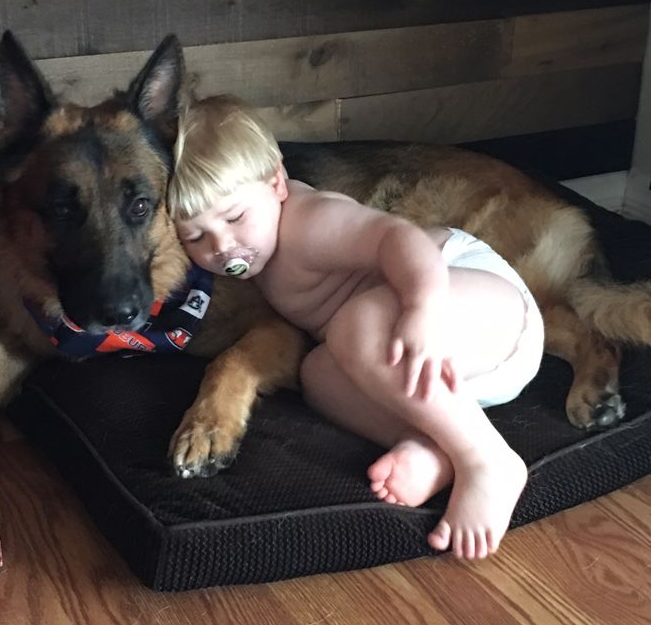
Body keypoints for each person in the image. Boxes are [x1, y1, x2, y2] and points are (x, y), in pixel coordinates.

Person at [169, 96, 544, 560]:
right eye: (196, 236)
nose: (223, 246)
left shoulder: (311, 224)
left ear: (278, 183)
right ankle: (431, 445)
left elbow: (398, 237)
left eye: (233, 217)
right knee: (319, 376)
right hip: (439, 374)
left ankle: (488, 460)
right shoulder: (253, 246)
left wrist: (422, 308)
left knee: (356, 327)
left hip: (481, 303)